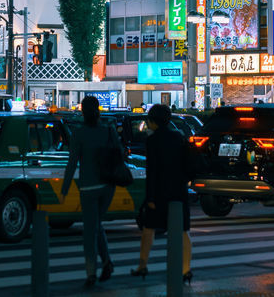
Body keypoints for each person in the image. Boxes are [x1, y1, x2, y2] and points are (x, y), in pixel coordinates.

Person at [60, 96, 118, 287]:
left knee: (89, 231)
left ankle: (91, 273)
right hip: (108, 186)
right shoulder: (108, 131)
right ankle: (107, 262)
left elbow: (72, 162)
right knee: (96, 224)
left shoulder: (79, 133)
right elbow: (119, 155)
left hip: (88, 187)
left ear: (83, 111)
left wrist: (65, 188)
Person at [132, 103, 192, 283]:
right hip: (179, 191)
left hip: (159, 192)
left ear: (153, 121)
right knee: (183, 231)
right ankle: (186, 269)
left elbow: (153, 171)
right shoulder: (179, 137)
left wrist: (150, 197)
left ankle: (142, 266)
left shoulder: (153, 140)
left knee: (148, 230)